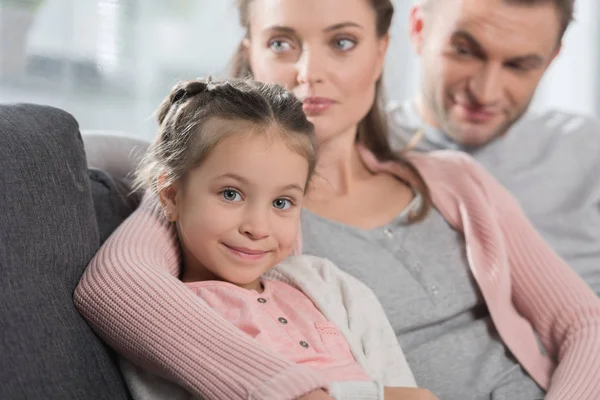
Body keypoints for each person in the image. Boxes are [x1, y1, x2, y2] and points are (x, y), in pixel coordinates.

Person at [73, 0, 600, 399]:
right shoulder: (219, 201)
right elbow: (115, 284)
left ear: (381, 52)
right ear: (250, 51)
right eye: (281, 43)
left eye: (342, 42)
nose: (310, 72)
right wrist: (305, 393)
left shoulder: (455, 179)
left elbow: (583, 322)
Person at [117, 77, 428, 400]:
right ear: (170, 196)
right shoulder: (170, 320)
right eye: (231, 194)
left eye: (282, 203)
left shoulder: (328, 283)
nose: (258, 227)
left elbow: (402, 384)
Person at [387, 0, 600, 294]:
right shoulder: (350, 153)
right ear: (418, 30)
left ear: (551, 60)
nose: (485, 93)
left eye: (519, 66)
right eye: (464, 52)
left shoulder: (589, 150)